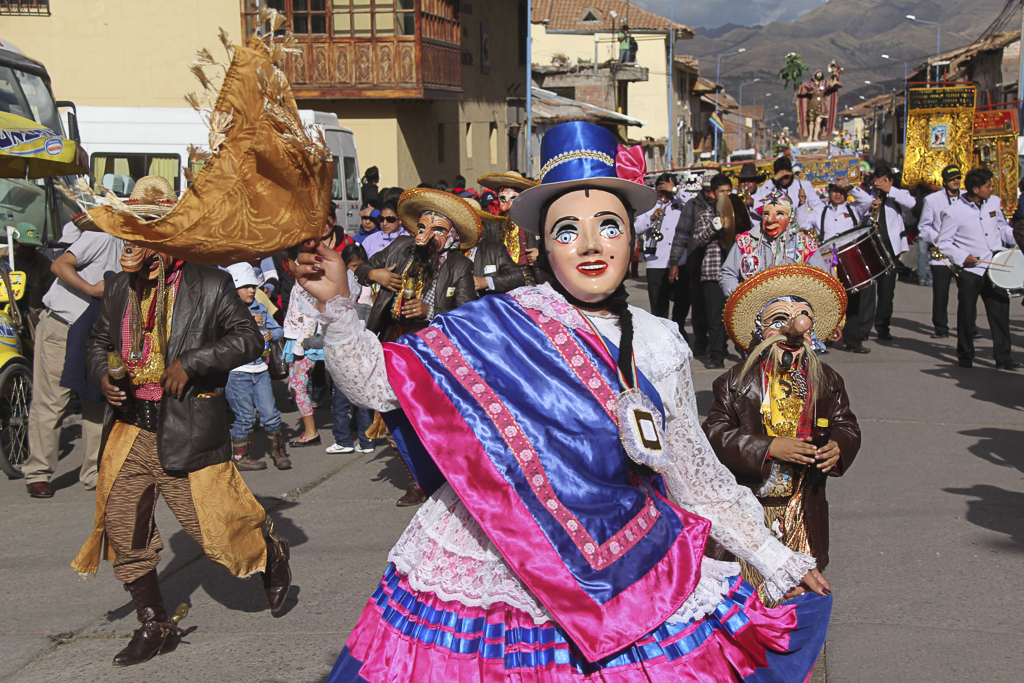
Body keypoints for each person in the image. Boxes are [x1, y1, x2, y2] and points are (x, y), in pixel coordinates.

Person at [297, 121, 830, 682]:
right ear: (543, 246)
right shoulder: (497, 322)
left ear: (631, 236)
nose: (592, 245)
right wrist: (337, 304)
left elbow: (691, 476)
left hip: (626, 564)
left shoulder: (658, 340)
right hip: (496, 563)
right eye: (568, 231)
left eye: (608, 226)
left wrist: (776, 558)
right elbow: (376, 384)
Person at [73, 235, 292, 667]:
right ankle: (155, 625)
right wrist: (103, 376)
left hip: (186, 428)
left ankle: (271, 553)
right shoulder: (119, 286)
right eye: (129, 243)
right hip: (130, 429)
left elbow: (249, 339)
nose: (135, 255)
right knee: (122, 528)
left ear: (168, 242)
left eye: (145, 244)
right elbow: (98, 342)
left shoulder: (210, 283)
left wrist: (193, 362)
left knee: (214, 532)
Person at [705, 263, 860, 604]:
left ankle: (795, 644)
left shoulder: (827, 379)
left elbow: (845, 423)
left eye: (803, 318)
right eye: (779, 320)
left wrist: (840, 445)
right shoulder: (735, 381)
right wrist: (769, 446)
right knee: (750, 592)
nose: (794, 328)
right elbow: (714, 434)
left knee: (800, 590)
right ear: (761, 331)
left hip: (803, 504)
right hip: (752, 505)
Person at [353, 188, 479, 506]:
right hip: (394, 345)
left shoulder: (459, 267)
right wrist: (375, 273)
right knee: (396, 417)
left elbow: (467, 317)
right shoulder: (401, 249)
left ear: (450, 235)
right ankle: (417, 480)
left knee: (433, 420)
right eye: (422, 228)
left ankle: (448, 476)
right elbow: (358, 264)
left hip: (434, 355)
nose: (426, 236)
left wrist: (430, 311)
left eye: (437, 229)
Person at [23, 219, 122, 498]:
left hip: (100, 331)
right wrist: (91, 289)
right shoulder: (104, 237)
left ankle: (94, 471)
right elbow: (60, 265)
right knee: (53, 399)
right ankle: (39, 471)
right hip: (65, 324)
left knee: (97, 397)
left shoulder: (141, 250)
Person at [936, 167, 1020, 370]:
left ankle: (1003, 358)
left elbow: (1001, 228)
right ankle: (965, 355)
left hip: (996, 266)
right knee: (966, 314)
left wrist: (1017, 236)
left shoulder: (993, 202)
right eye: (988, 186)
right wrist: (963, 256)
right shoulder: (953, 212)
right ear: (975, 188)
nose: (992, 188)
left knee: (1000, 313)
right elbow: (943, 243)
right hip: (971, 270)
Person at [224, 262, 290, 471]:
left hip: (260, 369)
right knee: (244, 416)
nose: (252, 290)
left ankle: (278, 452)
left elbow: (279, 330)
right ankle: (240, 456)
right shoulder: (225, 310)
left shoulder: (260, 307)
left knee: (270, 413)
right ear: (234, 290)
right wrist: (247, 322)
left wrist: (272, 334)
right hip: (237, 372)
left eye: (253, 285)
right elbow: (220, 338)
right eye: (246, 286)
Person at [720, 189, 830, 297]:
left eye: (780, 215)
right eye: (766, 214)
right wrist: (743, 296)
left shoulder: (805, 244)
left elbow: (823, 279)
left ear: (790, 217)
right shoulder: (745, 241)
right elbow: (727, 274)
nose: (770, 220)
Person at [808, 180, 873, 353]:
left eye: (841, 191)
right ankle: (823, 338)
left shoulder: (854, 209)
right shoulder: (820, 211)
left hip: (849, 260)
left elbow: (867, 201)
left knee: (852, 300)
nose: (838, 194)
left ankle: (853, 341)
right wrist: (801, 205)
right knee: (827, 301)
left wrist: (850, 187)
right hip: (826, 261)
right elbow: (803, 224)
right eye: (834, 191)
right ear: (829, 192)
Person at [851, 166, 914, 340]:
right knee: (867, 291)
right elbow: (857, 210)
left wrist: (890, 191)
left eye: (883, 180)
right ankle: (864, 328)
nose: (879, 183)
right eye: (877, 180)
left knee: (887, 291)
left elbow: (911, 203)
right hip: (870, 248)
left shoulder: (897, 196)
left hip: (890, 249)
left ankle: (883, 326)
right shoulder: (868, 196)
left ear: (890, 181)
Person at [690, 176, 747, 369]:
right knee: (715, 318)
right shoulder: (706, 215)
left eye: (729, 191)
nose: (726, 195)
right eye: (722, 191)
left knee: (738, 314)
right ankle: (716, 354)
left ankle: (745, 348)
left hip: (736, 273)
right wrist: (713, 227)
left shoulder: (739, 212)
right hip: (713, 272)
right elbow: (698, 240)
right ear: (714, 194)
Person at [919, 165, 966, 339]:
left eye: (958, 178)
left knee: (967, 293)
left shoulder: (967, 197)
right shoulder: (932, 200)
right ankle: (940, 327)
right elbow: (923, 227)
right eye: (952, 178)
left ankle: (969, 327)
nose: (956, 181)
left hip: (962, 253)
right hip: (942, 255)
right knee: (940, 294)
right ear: (944, 181)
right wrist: (937, 238)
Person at [668, 172, 712, 350]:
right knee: (698, 305)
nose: (711, 195)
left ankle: (719, 344)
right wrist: (675, 262)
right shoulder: (693, 205)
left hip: (719, 263)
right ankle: (700, 342)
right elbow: (681, 234)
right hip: (696, 262)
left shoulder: (725, 205)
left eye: (713, 191)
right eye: (707, 191)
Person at [283, 276, 327, 447]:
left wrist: (301, 346)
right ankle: (310, 430)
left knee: (297, 386)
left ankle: (311, 432)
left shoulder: (308, 281)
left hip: (304, 342)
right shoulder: (299, 279)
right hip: (296, 338)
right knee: (294, 387)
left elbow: (311, 316)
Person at [635, 174, 684, 317]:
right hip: (656, 263)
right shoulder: (648, 206)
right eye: (660, 190)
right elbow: (636, 228)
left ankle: (679, 332)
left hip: (680, 262)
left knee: (682, 303)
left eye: (666, 190)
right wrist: (651, 218)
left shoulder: (680, 203)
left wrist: (675, 190)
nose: (663, 194)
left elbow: (694, 203)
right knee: (659, 307)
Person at [476, 170, 540, 274]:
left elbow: (553, 248)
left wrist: (540, 255)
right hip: (502, 276)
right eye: (503, 199)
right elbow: (481, 252)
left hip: (530, 275)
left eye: (514, 198)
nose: (509, 205)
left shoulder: (535, 222)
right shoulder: (491, 226)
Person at [3, 222, 54, 322]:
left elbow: (51, 295)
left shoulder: (45, 264)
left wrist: (38, 314)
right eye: (24, 247)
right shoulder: (2, 257)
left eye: (32, 247)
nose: (28, 251)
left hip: (31, 318)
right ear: (13, 243)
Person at [753, 155, 821, 227]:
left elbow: (818, 206)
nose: (783, 179)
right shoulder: (772, 188)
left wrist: (808, 221)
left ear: (791, 172)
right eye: (780, 177)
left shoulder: (804, 185)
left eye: (786, 176)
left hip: (802, 228)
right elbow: (760, 198)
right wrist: (773, 180)